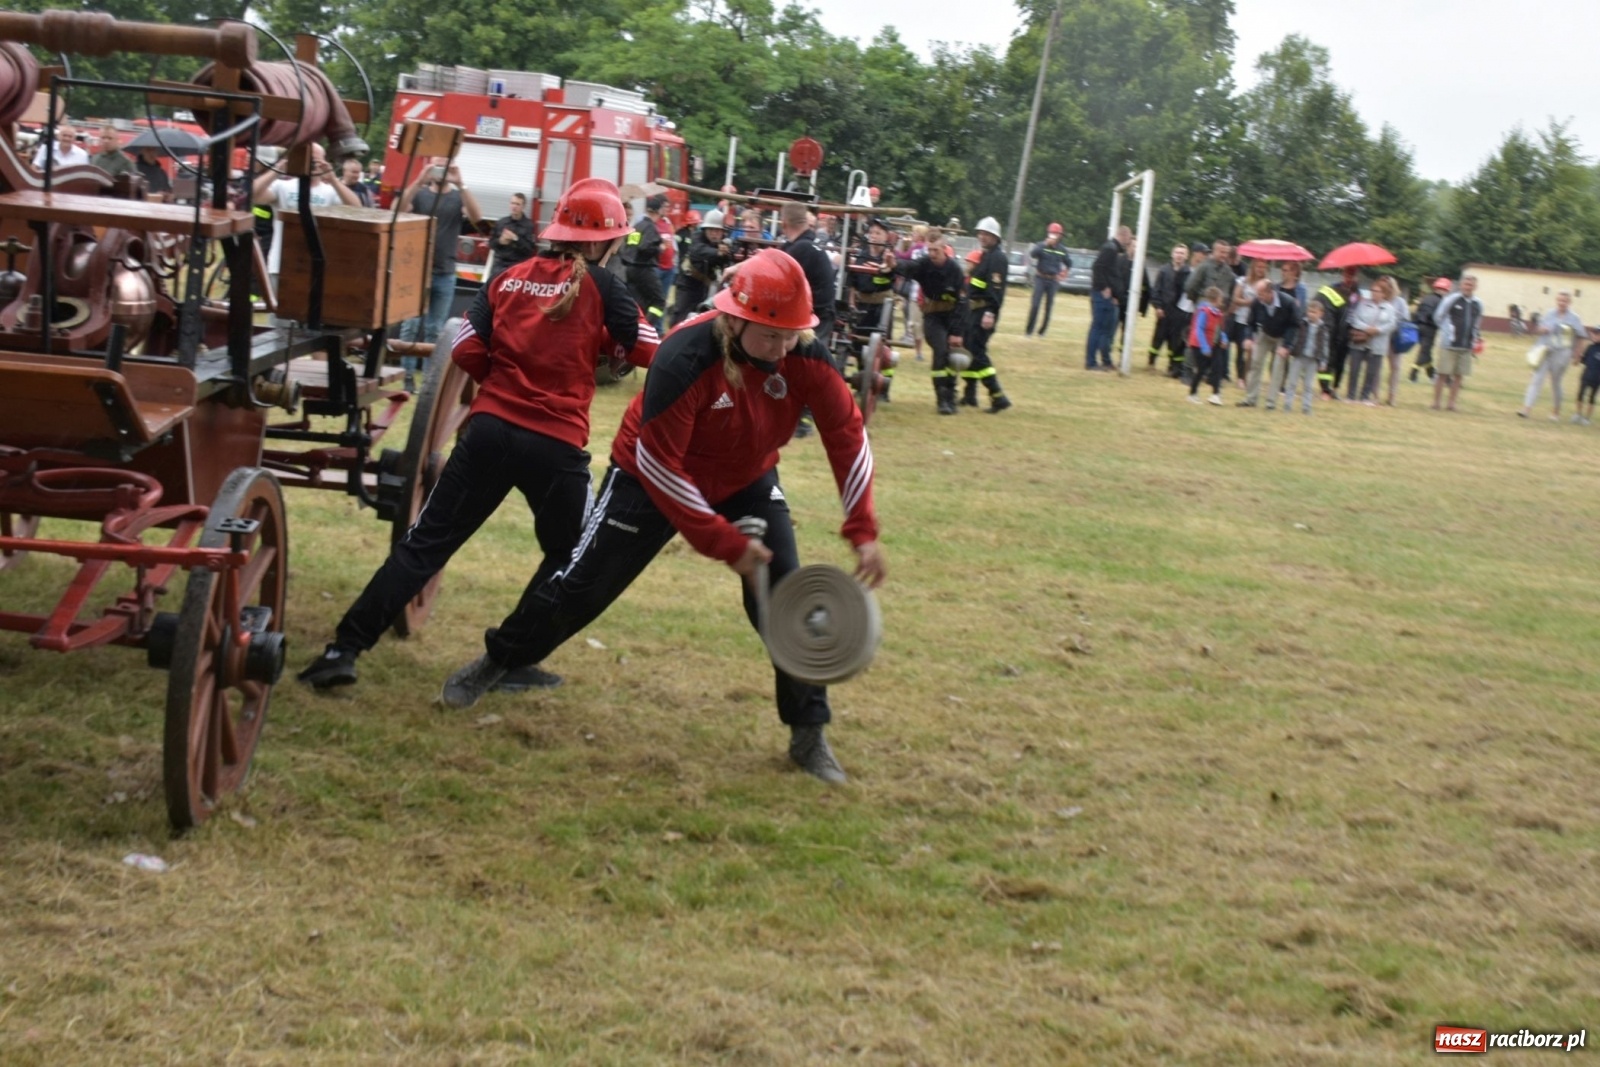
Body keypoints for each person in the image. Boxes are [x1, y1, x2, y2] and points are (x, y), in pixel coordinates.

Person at [435, 250, 886, 786]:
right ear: (735, 320)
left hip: (746, 477)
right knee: (583, 585)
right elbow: (660, 464)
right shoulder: (685, 355)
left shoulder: (806, 355)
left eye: (791, 335)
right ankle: (500, 660)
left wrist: (862, 529)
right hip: (646, 475)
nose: (782, 348)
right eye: (771, 336)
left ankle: (808, 734)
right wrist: (724, 543)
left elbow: (847, 436)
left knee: (787, 597)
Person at [297, 178, 658, 691]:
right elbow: (650, 350)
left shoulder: (509, 278)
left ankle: (343, 650)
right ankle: (511, 657)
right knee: (570, 553)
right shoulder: (605, 287)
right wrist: (609, 346)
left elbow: (466, 347)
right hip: (555, 445)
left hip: (489, 431)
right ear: (607, 241)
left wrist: (503, 387)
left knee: (424, 546)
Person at [396, 155, 484, 375]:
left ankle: (428, 379)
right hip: (417, 271)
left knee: (435, 329)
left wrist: (461, 184)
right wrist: (419, 181)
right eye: (437, 167)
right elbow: (397, 209)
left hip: (445, 271)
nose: (440, 172)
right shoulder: (421, 194)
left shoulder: (457, 197)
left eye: (445, 167)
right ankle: (407, 377)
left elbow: (478, 218)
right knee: (410, 326)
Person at [892, 229, 968, 414]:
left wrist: (957, 333)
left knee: (954, 357)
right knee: (941, 352)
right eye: (930, 250)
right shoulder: (925, 264)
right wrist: (894, 264)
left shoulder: (955, 270)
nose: (932, 254)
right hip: (932, 317)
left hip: (952, 317)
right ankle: (941, 399)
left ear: (944, 248)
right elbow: (909, 266)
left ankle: (951, 396)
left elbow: (962, 302)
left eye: (936, 250)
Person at [959, 216, 1012, 412]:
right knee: (969, 350)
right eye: (980, 233)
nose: (982, 236)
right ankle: (970, 395)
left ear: (995, 237)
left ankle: (998, 396)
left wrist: (990, 312)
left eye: (986, 234)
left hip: (984, 311)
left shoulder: (997, 258)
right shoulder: (986, 256)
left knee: (978, 352)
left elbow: (996, 290)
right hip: (974, 310)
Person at [845, 217, 899, 399]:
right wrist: (851, 303)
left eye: (878, 233)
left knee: (884, 346)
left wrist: (886, 268)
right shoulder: (860, 255)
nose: (874, 236)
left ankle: (884, 388)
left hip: (883, 306)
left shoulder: (889, 257)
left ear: (886, 236)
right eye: (872, 232)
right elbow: (852, 283)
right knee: (859, 344)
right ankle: (863, 382)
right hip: (862, 305)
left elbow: (892, 278)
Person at [1518, 290, 1586, 420]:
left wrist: (1577, 354)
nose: (1561, 303)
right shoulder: (1549, 314)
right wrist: (1542, 329)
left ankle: (1556, 412)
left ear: (1569, 302)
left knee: (1556, 382)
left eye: (1564, 301)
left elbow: (1581, 336)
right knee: (1536, 379)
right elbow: (1539, 329)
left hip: (1562, 353)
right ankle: (1526, 409)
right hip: (1545, 350)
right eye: (1559, 300)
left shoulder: (1574, 318)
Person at [777, 200, 837, 347]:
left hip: (816, 319)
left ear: (784, 224)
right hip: (813, 315)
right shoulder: (798, 245)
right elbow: (771, 259)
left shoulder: (802, 248)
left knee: (808, 358)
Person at [1241, 278, 1298, 408]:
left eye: (1261, 294)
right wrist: (1248, 337)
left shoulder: (1288, 302)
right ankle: (1250, 399)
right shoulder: (1257, 302)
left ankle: (1271, 402)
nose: (1258, 297)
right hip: (1265, 333)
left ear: (1270, 292)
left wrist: (1286, 346)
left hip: (1282, 336)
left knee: (1277, 367)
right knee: (1255, 362)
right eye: (1257, 294)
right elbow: (1250, 322)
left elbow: (1294, 325)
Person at [670, 208, 732, 327]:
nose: (714, 234)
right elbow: (697, 251)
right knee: (680, 316)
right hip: (688, 284)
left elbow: (728, 260)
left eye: (717, 230)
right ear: (705, 230)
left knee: (700, 317)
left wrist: (727, 253)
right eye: (711, 230)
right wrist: (717, 252)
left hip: (705, 286)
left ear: (722, 232)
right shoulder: (697, 236)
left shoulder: (724, 242)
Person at [1432, 273, 1483, 412]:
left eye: (1471, 285)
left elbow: (1477, 322)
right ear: (1461, 285)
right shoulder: (1452, 300)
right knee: (1443, 373)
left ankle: (1451, 404)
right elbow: (1438, 317)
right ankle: (1436, 402)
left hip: (1466, 345)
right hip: (1449, 344)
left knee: (1459, 376)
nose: (1468, 287)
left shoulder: (1478, 303)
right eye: (1466, 284)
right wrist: (1448, 331)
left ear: (1475, 287)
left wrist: (1475, 338)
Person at [1345, 275, 1398, 405]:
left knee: (1371, 372)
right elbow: (1355, 319)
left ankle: (1365, 396)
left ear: (1384, 293)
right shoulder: (1363, 304)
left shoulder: (1389, 308)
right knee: (1354, 369)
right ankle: (1351, 395)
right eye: (1372, 290)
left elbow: (1392, 324)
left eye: (1377, 291)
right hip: (1360, 342)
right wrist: (1366, 328)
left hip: (1377, 345)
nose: (1373, 293)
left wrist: (1378, 330)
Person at [1086, 225, 1131, 370]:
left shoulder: (1113, 249)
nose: (1128, 242)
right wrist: (1104, 287)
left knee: (1105, 330)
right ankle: (1091, 362)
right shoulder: (1110, 249)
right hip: (1102, 295)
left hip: (1109, 296)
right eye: (1128, 238)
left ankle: (1105, 361)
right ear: (1123, 235)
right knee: (1098, 328)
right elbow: (1097, 267)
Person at [621, 193, 669, 330]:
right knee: (659, 302)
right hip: (644, 269)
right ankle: (646, 329)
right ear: (659, 211)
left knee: (639, 303)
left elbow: (630, 246)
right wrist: (660, 247)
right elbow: (645, 247)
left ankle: (634, 327)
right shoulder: (650, 227)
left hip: (630, 270)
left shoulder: (638, 225)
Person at [1315, 266, 1362, 399]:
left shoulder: (1357, 293)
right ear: (1343, 275)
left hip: (1347, 330)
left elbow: (1356, 310)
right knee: (1328, 359)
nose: (1349, 279)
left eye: (1352, 276)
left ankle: (1335, 388)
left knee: (1340, 362)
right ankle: (1325, 389)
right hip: (1333, 329)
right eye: (1347, 275)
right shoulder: (1333, 288)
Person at [1147, 244, 1190, 372]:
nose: (1179, 255)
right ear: (1172, 254)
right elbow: (1156, 290)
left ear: (1186, 256)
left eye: (1182, 253)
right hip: (1164, 310)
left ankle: (1173, 366)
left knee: (1176, 340)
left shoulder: (1188, 272)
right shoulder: (1164, 270)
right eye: (1177, 252)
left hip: (1180, 312)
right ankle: (1151, 362)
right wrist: (1158, 307)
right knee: (1158, 337)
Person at [1283, 298, 1329, 415]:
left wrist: (1323, 361)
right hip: (1299, 356)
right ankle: (1287, 404)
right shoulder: (1302, 324)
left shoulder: (1323, 328)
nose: (1311, 314)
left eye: (1314, 312)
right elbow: (1295, 337)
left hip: (1313, 359)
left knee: (1308, 385)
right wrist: (1290, 348)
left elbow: (1324, 346)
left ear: (1321, 314)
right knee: (1292, 382)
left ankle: (1306, 407)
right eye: (1310, 311)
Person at [1185, 286, 1229, 405]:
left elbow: (1220, 329)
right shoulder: (1204, 311)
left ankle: (1215, 394)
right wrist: (1205, 347)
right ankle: (1192, 393)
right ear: (1216, 299)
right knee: (1201, 369)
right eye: (1220, 298)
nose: (1222, 301)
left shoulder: (1218, 313)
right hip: (1199, 344)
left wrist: (1224, 339)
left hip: (1213, 344)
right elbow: (1199, 329)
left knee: (1218, 367)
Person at [1025, 222, 1070, 337]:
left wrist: (1064, 272)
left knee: (1049, 307)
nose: (1055, 236)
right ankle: (1029, 331)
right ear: (1049, 234)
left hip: (1053, 280)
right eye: (1053, 234)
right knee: (1035, 304)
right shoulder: (1041, 245)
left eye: (1057, 234)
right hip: (1040, 278)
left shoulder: (1062, 249)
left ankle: (1042, 332)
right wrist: (1045, 244)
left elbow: (1069, 263)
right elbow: (1033, 254)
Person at [486, 191, 537, 282]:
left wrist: (515, 239)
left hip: (518, 266)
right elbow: (491, 244)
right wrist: (500, 241)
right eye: (512, 203)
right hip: (500, 265)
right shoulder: (501, 223)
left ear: (523, 206)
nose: (514, 206)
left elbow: (530, 250)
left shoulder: (529, 226)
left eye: (517, 204)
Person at [1409, 277, 1451, 382]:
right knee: (1425, 352)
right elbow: (1439, 316)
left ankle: (1431, 373)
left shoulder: (1426, 298)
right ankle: (1413, 373)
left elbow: (1416, 312)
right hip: (1430, 329)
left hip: (1418, 327)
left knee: (1426, 352)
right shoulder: (1442, 301)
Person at [1574, 326, 1600, 425]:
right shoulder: (1590, 347)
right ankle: (1578, 414)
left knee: (1591, 397)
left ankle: (1587, 418)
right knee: (1580, 394)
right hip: (1586, 375)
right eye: (1594, 334)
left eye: (1597, 334)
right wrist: (1578, 358)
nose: (1595, 336)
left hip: (1597, 378)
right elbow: (1583, 360)